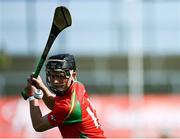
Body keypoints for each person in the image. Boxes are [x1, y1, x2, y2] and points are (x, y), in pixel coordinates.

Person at [23, 53, 105, 138]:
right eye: (52, 75)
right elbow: (54, 105)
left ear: (73, 75)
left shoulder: (68, 107)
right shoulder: (77, 86)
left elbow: (38, 125)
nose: (55, 81)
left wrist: (32, 96)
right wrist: (40, 86)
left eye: (60, 76)